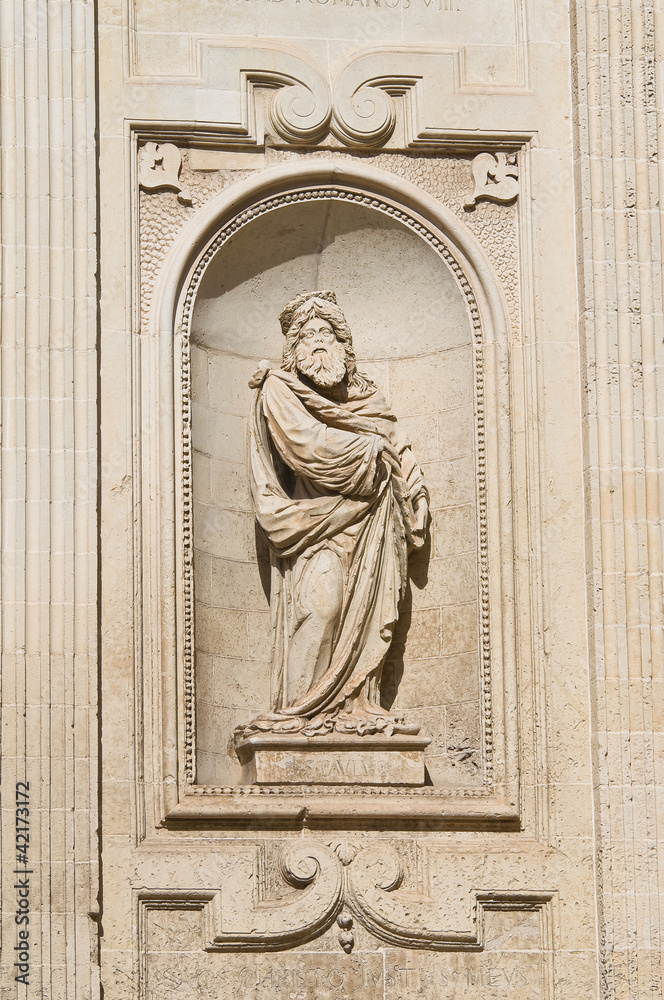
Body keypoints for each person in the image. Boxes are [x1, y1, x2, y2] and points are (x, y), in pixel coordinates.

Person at [236, 291, 428, 739]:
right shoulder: (280, 389)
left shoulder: (368, 398)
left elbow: (396, 440)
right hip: (317, 526)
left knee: (367, 616)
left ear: (344, 344)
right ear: (294, 348)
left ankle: (354, 707)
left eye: (327, 333)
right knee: (323, 606)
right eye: (308, 335)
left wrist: (413, 486)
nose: (319, 343)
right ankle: (300, 709)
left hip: (372, 526)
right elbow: (308, 447)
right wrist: (370, 450)